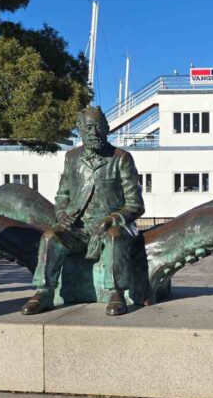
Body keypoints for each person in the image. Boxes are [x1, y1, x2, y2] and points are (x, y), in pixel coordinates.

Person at [20, 106, 145, 316]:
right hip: (79, 228)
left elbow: (135, 204)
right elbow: (63, 195)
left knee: (114, 237)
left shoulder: (121, 158)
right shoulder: (72, 158)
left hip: (112, 225)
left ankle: (116, 293)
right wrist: (61, 214)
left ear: (107, 128)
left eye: (98, 127)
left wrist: (111, 219)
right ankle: (44, 292)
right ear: (80, 130)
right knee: (50, 237)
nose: (93, 133)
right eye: (88, 128)